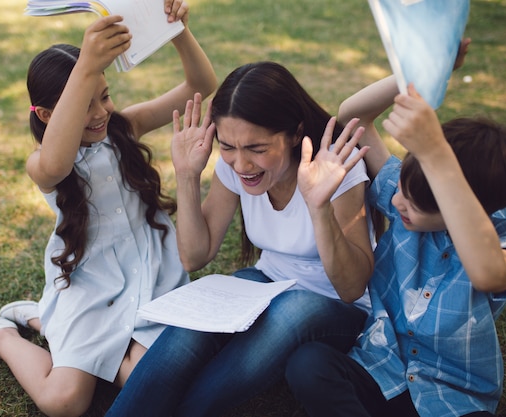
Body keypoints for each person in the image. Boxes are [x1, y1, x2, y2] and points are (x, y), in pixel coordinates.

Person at [0, 1, 217, 416]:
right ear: (47, 115)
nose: (100, 112)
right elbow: (56, 163)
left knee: (151, 378)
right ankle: (3, 338)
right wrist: (84, 68)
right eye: (85, 104)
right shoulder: (45, 164)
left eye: (105, 95)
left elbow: (200, 83)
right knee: (65, 403)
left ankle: (44, 321)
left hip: (152, 273)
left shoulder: (124, 128)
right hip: (91, 285)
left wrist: (178, 31)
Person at [106, 61, 375, 417]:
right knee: (193, 324)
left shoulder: (337, 169)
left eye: (257, 148)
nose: (241, 164)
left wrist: (319, 206)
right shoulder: (233, 168)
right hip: (270, 282)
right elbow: (194, 256)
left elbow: (352, 287)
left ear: (295, 134)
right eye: (228, 146)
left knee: (289, 313)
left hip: (339, 306)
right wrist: (187, 175)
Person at [284, 74, 506, 417]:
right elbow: (354, 115)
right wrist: (422, 68)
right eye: (400, 191)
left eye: (413, 204)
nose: (396, 203)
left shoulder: (504, 242)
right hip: (381, 370)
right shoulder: (410, 189)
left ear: (457, 206)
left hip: (452, 396)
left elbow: (488, 275)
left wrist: (440, 160)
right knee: (309, 364)